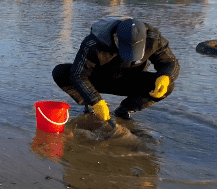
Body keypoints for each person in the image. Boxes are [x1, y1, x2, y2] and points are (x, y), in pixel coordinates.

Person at [52, 17, 180, 121]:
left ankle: (125, 110)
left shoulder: (153, 38)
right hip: (98, 79)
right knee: (61, 73)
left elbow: (170, 62)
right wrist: (95, 100)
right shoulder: (94, 42)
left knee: (168, 86)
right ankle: (91, 107)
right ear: (116, 38)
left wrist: (166, 75)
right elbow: (78, 74)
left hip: (130, 80)